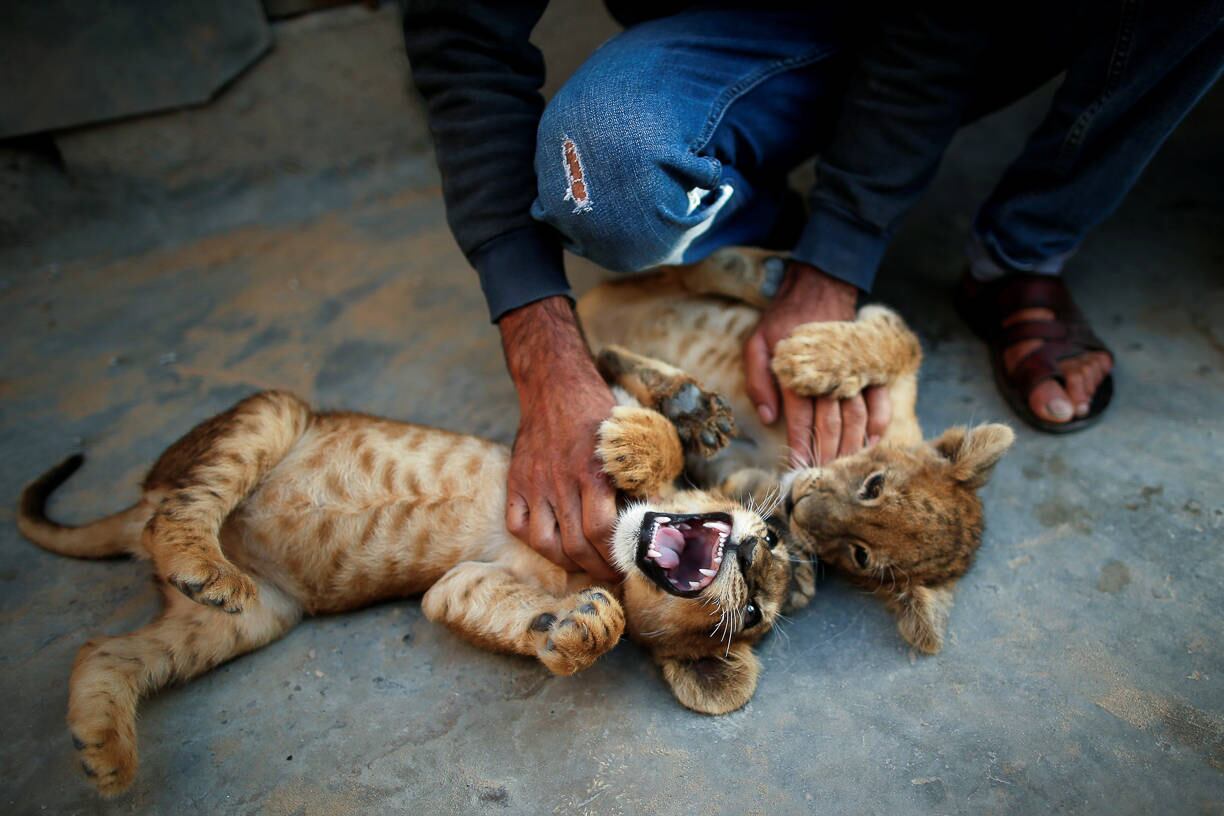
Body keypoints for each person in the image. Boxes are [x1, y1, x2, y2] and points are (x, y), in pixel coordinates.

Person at [401, 1, 1223, 579]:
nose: (825, 519)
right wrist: (537, 344)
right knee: (606, 162)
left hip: (975, 19)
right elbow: (460, 37)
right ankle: (760, 236)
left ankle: (1024, 248)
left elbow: (939, 24)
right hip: (745, 27)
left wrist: (840, 256)